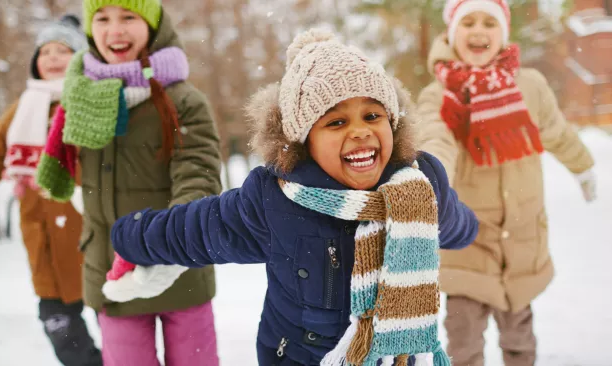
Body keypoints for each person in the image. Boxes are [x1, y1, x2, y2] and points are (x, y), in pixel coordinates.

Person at [108, 28, 479, 365]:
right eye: (336, 122)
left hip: (393, 355)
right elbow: (196, 229)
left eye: (372, 115)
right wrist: (131, 236)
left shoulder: (415, 187)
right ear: (304, 140)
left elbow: (454, 223)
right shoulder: (275, 200)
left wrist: (465, 224)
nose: (360, 131)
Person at [35, 1, 223, 365]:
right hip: (110, 272)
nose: (115, 30)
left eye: (128, 17)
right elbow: (74, 176)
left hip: (179, 270)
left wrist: (168, 245)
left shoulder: (183, 101)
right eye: (102, 19)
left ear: (153, 26)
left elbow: (197, 177)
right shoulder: (80, 98)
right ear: (91, 30)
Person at [416, 1, 598, 365]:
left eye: (489, 22)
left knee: (520, 341)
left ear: (503, 33)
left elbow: (557, 132)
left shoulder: (529, 86)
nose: (479, 30)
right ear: (452, 33)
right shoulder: (441, 95)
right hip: (467, 242)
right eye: (468, 22)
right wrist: (431, 184)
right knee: (464, 343)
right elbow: (436, 140)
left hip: (521, 239)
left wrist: (583, 167)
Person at [0, 14, 102, 366]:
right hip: (45, 245)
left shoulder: (96, 104)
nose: (53, 57)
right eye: (45, 51)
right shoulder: (20, 113)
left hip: (95, 239)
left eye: (63, 50)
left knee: (120, 330)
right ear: (35, 63)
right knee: (62, 331)